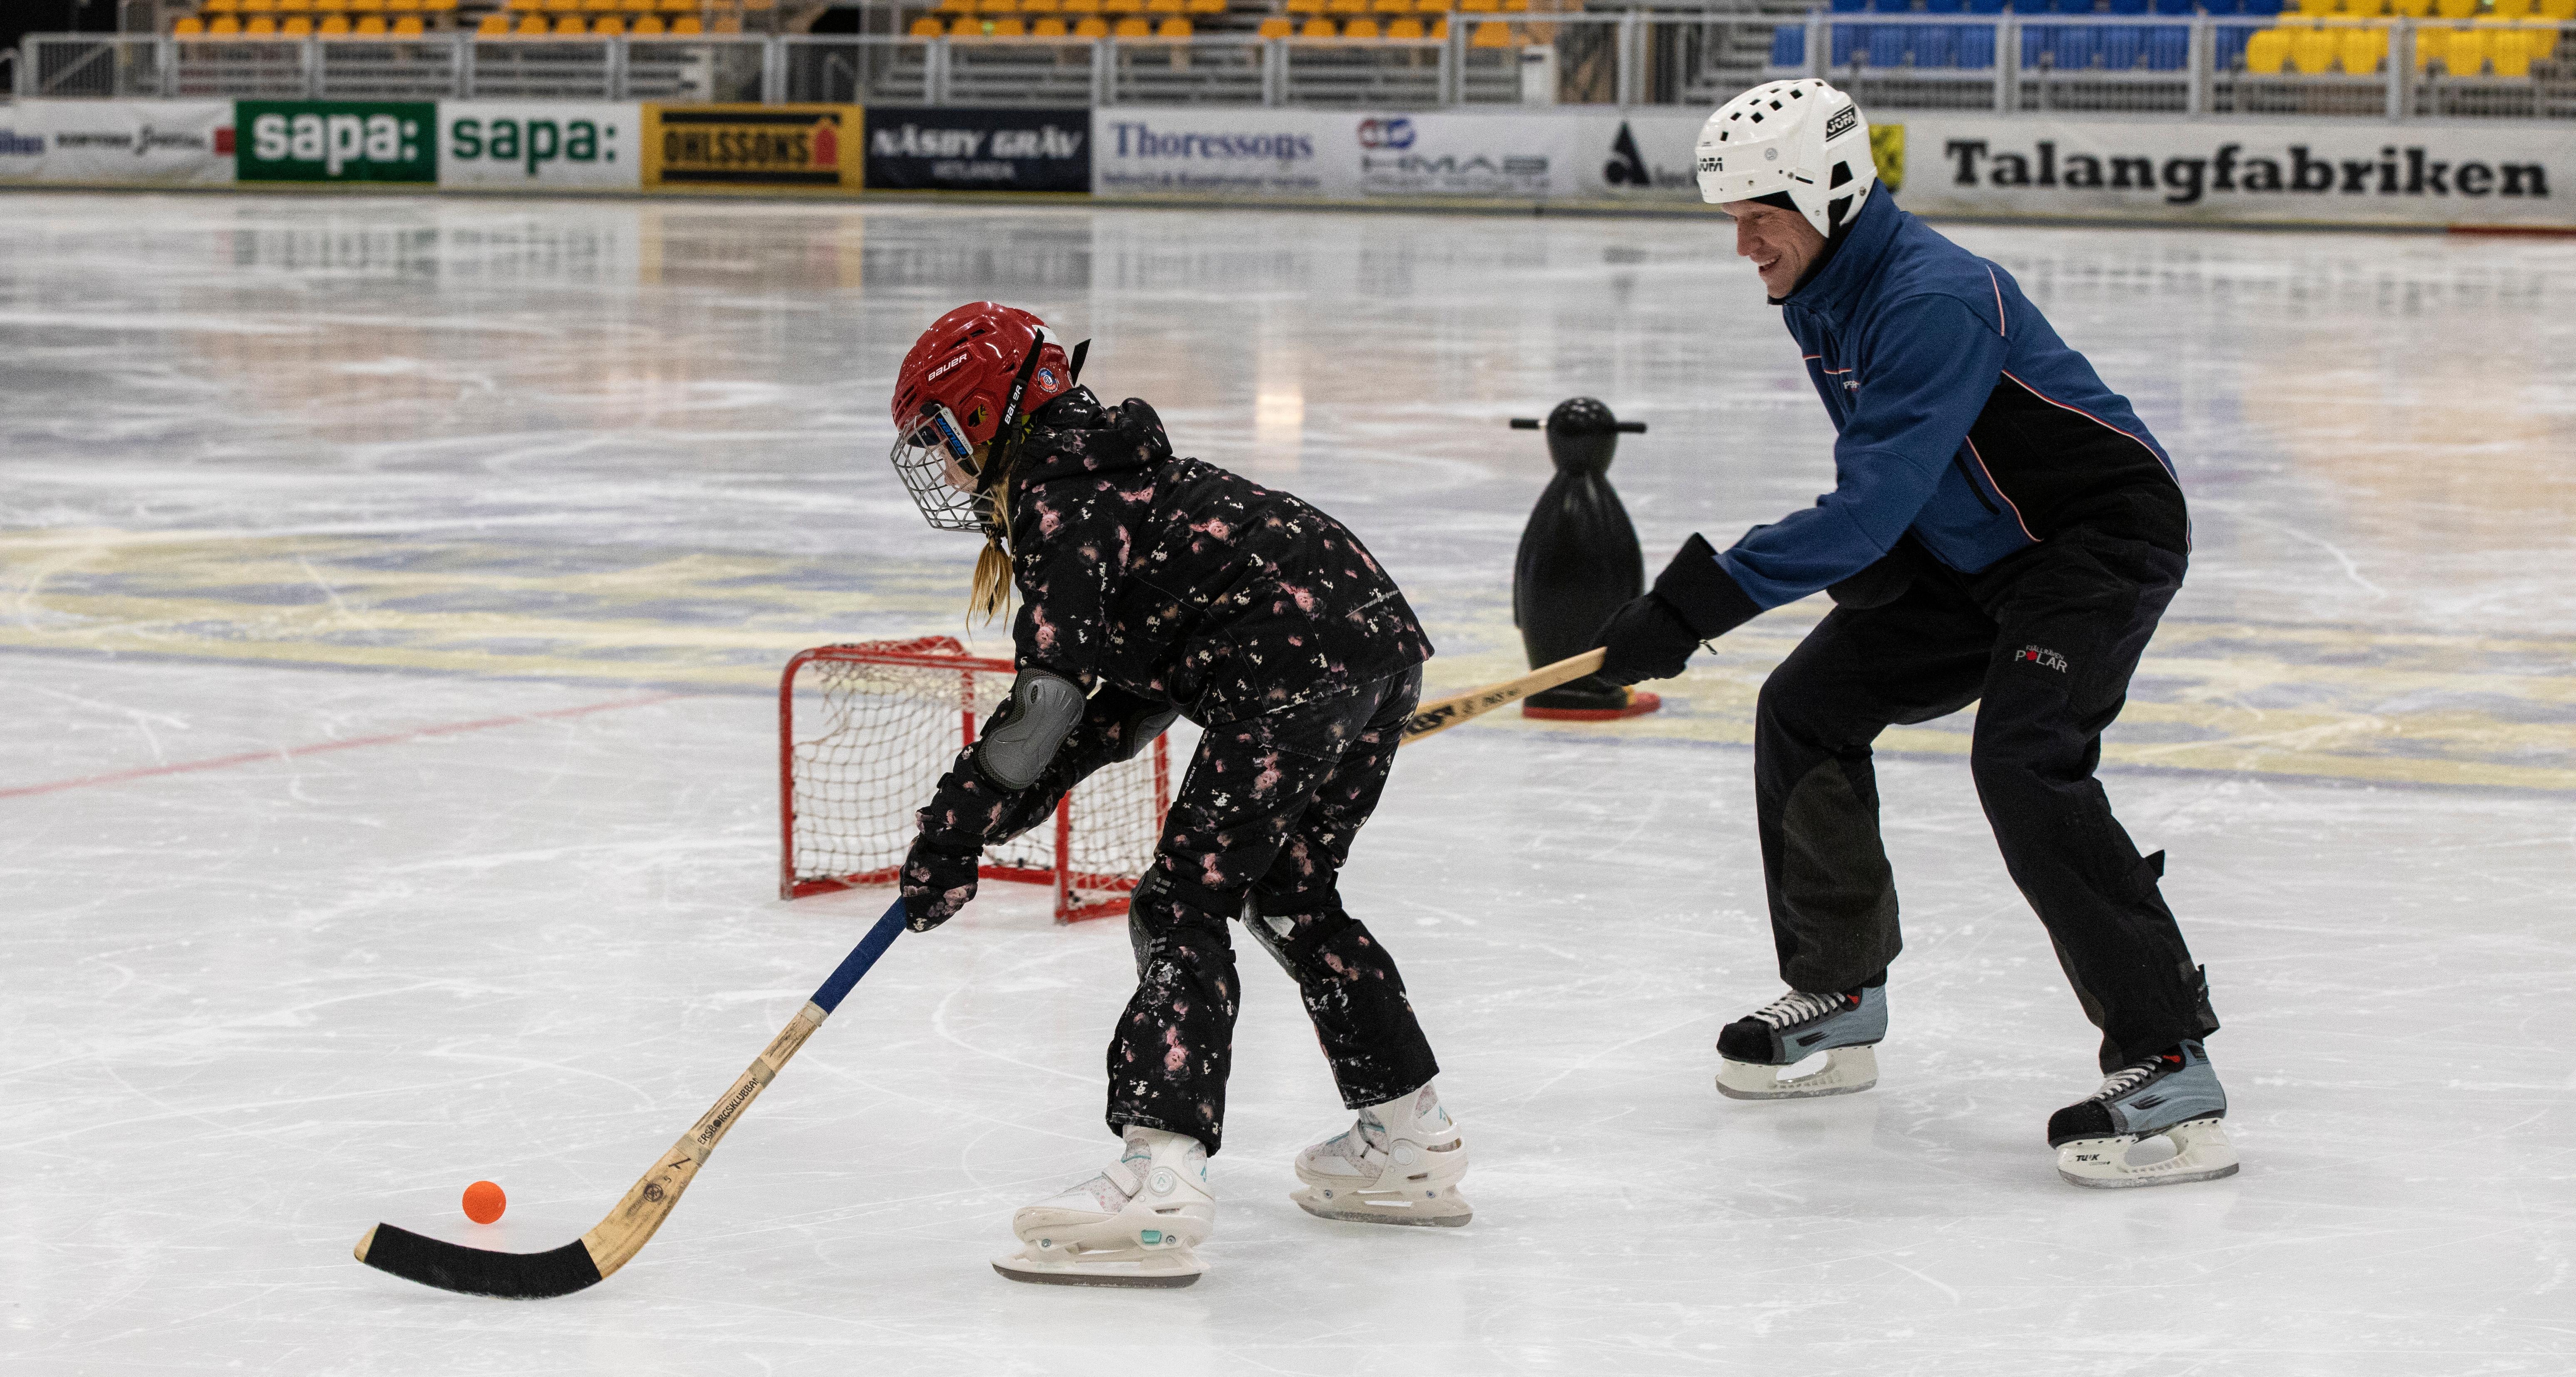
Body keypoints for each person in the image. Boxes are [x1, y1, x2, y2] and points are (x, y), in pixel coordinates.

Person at [1591, 81, 2235, 1189]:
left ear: (1827, 190)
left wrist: (1697, 603)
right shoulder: (1822, 287)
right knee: (1806, 705)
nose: (1741, 243)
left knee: (2026, 759)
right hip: (1970, 555)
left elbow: (1868, 501)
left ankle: (2167, 1060)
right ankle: (1839, 990)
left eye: (1760, 214)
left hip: (2094, 544)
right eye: (1731, 218)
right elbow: (1889, 478)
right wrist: (1876, 574)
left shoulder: (1932, 294)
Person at [885, 302, 1472, 1287]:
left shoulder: (1061, 498)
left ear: (986, 419)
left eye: (942, 439)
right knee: (1288, 894)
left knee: (1180, 901)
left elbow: (1051, 696)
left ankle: (1160, 1174)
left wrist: (955, 826)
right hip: (1371, 640)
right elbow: (1126, 699)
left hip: (1289, 664)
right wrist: (999, 815)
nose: (942, 468)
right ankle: (1412, 1137)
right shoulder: (1102, 470)